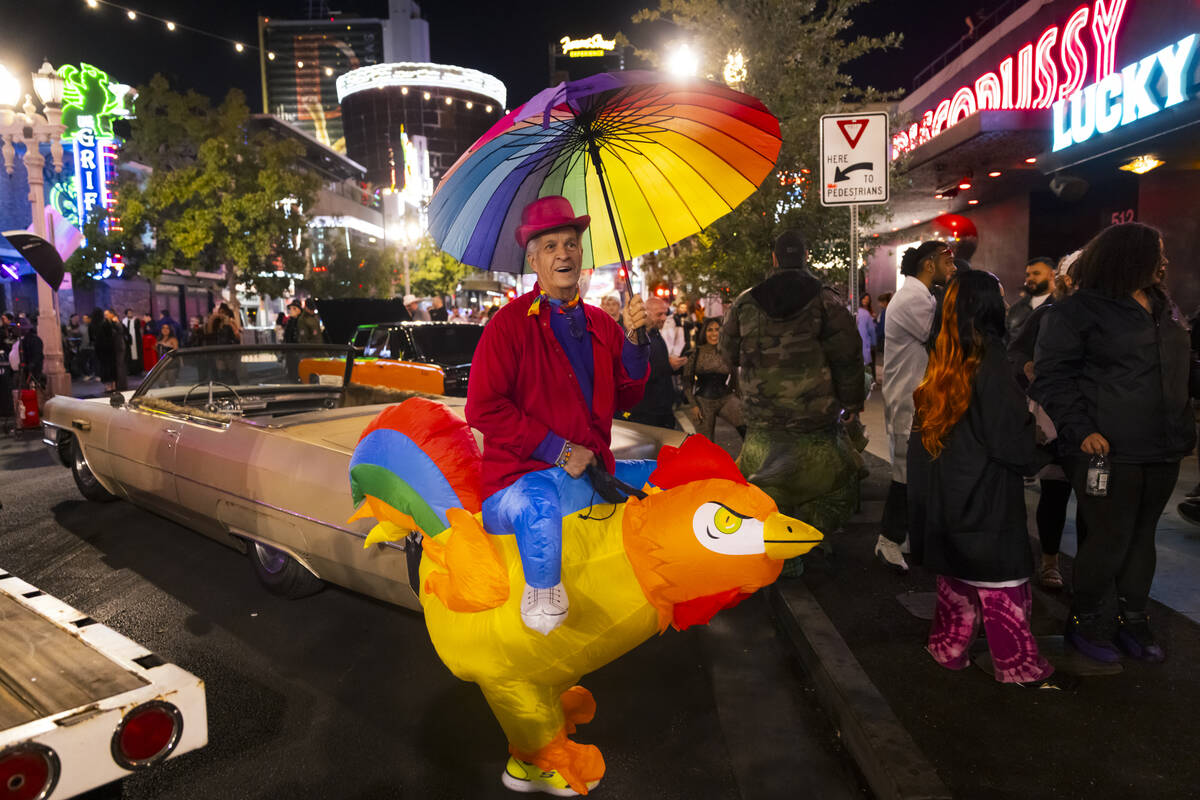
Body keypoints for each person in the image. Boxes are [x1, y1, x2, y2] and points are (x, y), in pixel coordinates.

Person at [466, 195, 649, 636]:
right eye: (550, 246)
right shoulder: (508, 325)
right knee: (538, 505)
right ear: (533, 260)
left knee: (663, 476)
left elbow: (628, 395)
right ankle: (543, 594)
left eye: (570, 243)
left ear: (582, 254)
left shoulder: (602, 325)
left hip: (591, 475)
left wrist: (638, 343)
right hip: (518, 481)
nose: (563, 253)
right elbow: (483, 408)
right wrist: (559, 450)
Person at [1032, 222, 1194, 664]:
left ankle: (1133, 620)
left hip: (1164, 447)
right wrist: (1081, 430)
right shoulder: (1077, 311)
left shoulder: (1166, 307)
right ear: (1129, 257)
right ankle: (1087, 620)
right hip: (1107, 451)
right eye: (1156, 252)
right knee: (1108, 538)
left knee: (1143, 537)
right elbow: (1052, 378)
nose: (1163, 261)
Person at [910, 269, 1070, 689]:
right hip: (986, 492)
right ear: (986, 308)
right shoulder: (991, 359)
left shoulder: (944, 355)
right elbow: (1007, 440)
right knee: (1001, 583)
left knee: (958, 578)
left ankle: (948, 650)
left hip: (950, 488)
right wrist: (1042, 447)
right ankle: (1017, 666)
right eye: (998, 297)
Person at [721, 230, 865, 572]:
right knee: (836, 480)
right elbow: (848, 357)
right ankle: (812, 536)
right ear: (805, 257)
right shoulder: (827, 301)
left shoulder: (745, 302)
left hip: (761, 422)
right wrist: (852, 404)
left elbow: (727, 354)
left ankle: (782, 550)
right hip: (814, 421)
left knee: (768, 483)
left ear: (773, 258)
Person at [876, 241, 955, 573]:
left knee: (916, 471)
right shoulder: (911, 299)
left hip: (916, 396)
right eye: (947, 261)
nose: (952, 267)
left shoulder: (921, 296)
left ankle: (905, 537)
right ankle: (888, 540)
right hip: (909, 397)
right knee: (906, 473)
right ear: (928, 264)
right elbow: (941, 336)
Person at [1007, 251, 1081, 589]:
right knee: (1056, 493)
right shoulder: (1048, 313)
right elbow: (1018, 352)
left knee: (1096, 503)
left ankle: (1092, 571)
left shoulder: (1114, 315)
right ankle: (1050, 561)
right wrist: (1027, 369)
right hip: (1054, 416)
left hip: (1099, 418)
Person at [684, 317, 744, 441]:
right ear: (704, 333)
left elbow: (735, 380)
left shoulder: (728, 352)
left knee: (746, 426)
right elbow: (687, 382)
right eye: (709, 330)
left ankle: (746, 458)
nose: (714, 333)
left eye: (717, 329)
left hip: (725, 398)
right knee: (706, 444)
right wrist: (694, 405)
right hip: (703, 402)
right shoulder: (696, 353)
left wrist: (739, 399)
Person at [622, 296, 677, 429]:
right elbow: (637, 373)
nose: (664, 318)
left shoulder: (656, 334)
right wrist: (669, 366)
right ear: (646, 314)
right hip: (646, 412)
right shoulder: (637, 338)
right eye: (660, 314)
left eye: (666, 313)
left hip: (662, 409)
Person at [1005, 257, 1055, 342]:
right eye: (1028, 275)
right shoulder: (1016, 309)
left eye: (1036, 273)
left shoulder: (1059, 306)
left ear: (1051, 275)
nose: (1030, 278)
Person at [856, 293, 876, 371]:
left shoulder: (869, 311)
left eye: (868, 300)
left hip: (867, 342)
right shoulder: (865, 313)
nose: (866, 301)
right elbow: (872, 330)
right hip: (866, 342)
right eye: (864, 299)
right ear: (861, 299)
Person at [76, 312, 98, 381]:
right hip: (84, 347)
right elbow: (78, 336)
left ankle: (94, 374)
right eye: (83, 318)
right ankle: (87, 374)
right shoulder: (81, 327)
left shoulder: (94, 326)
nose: (84, 320)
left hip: (92, 347)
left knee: (93, 362)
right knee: (82, 362)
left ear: (90, 319)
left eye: (86, 318)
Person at [123, 309, 142, 375]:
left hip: (135, 340)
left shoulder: (136, 320)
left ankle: (137, 370)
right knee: (129, 355)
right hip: (127, 340)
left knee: (135, 354)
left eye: (131, 312)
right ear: (126, 314)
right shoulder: (124, 321)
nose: (130, 314)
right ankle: (129, 370)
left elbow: (138, 329)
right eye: (128, 313)